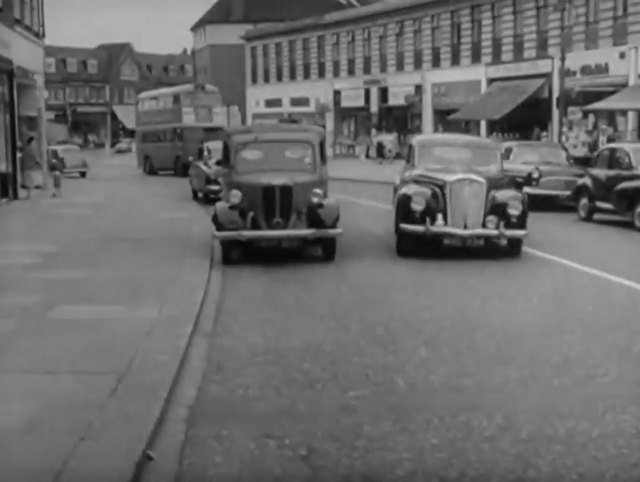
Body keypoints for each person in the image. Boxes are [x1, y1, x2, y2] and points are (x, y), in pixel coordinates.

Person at [20, 135, 41, 200]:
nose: (35, 143)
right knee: (29, 182)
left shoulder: (27, 149)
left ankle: (29, 195)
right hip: (28, 168)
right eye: (34, 142)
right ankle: (29, 196)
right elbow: (35, 157)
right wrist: (39, 163)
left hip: (27, 168)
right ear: (32, 142)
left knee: (28, 181)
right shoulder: (30, 149)